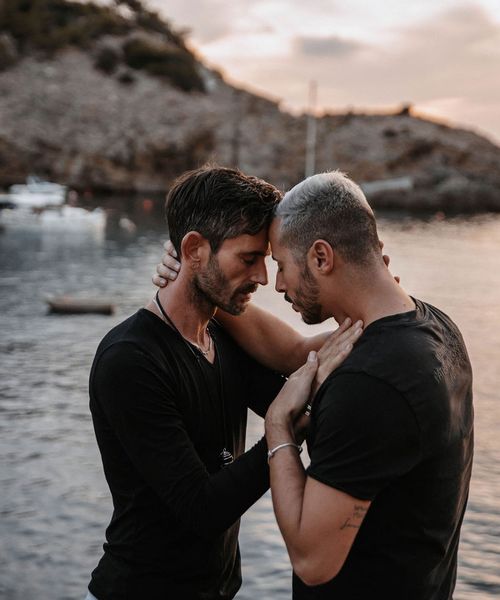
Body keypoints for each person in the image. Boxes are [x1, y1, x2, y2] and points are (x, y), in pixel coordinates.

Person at [157, 170, 474, 600]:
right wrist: (200, 277)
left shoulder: (371, 383)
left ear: (321, 258)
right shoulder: (434, 327)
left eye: (282, 265)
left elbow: (311, 562)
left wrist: (280, 429)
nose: (278, 283)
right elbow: (293, 352)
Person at [87, 165, 361, 600]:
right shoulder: (130, 360)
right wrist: (281, 426)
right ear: (194, 248)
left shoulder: (220, 335)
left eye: (265, 260)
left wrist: (369, 316)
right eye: (248, 259)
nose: (261, 278)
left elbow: (296, 399)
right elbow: (203, 508)